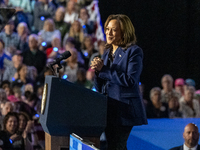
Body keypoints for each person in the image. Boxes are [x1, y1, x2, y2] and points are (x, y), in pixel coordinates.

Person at [91, 14, 147, 150]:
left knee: (118, 146)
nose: (109, 33)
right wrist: (97, 73)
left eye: (114, 30)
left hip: (124, 110)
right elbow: (101, 87)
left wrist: (103, 70)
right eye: (107, 29)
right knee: (113, 146)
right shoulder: (107, 52)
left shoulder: (134, 52)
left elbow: (130, 80)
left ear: (124, 32)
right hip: (109, 109)